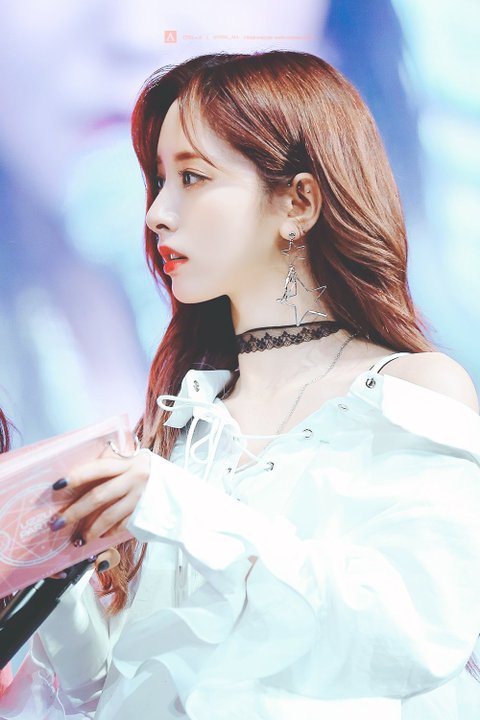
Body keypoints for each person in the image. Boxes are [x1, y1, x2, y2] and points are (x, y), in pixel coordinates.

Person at [2, 50, 480, 720]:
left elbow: (415, 635)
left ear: (298, 201)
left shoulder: (411, 389)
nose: (157, 213)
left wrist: (179, 510)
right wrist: (52, 579)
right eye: (158, 180)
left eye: (192, 177)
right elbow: (111, 693)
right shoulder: (180, 430)